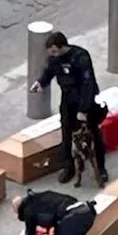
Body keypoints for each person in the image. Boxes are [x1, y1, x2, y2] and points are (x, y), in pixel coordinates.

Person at [29, 31, 108, 185]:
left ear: (61, 46)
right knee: (66, 134)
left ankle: (101, 168)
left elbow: (88, 84)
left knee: (93, 134)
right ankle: (68, 166)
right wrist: (40, 83)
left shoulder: (80, 57)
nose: (53, 55)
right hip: (68, 100)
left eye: (54, 51)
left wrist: (83, 110)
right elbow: (50, 72)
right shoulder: (55, 59)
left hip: (84, 100)